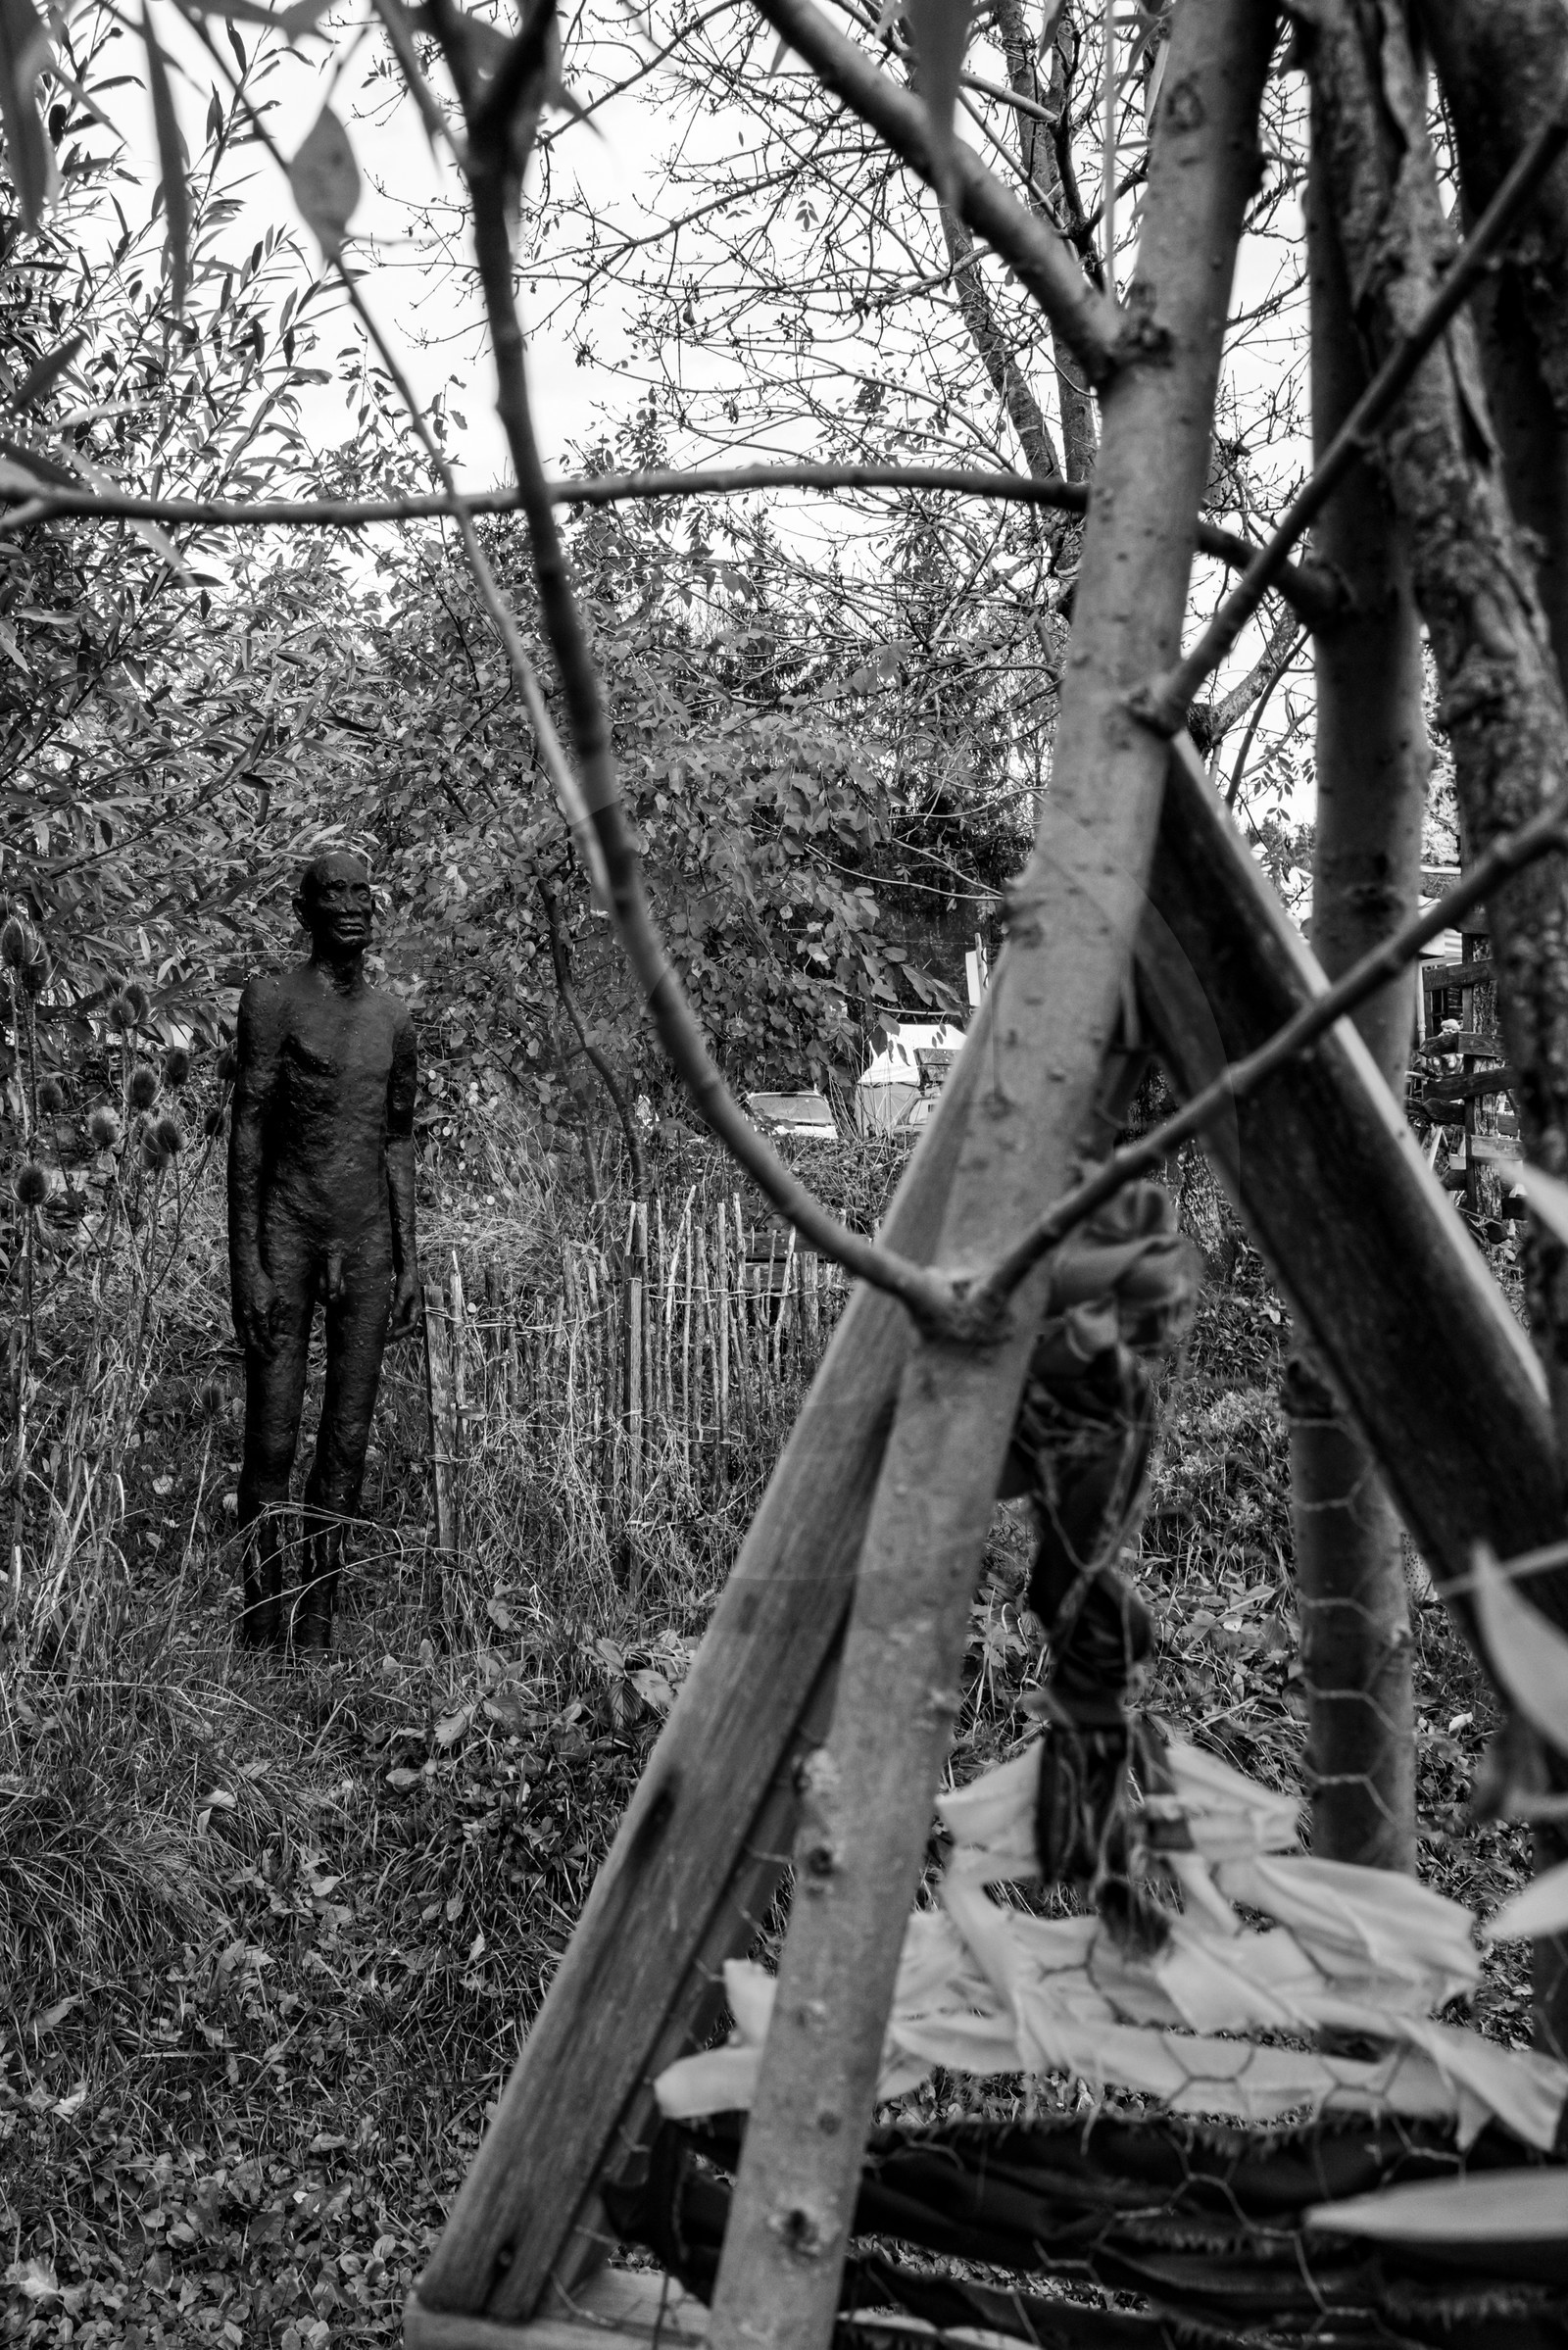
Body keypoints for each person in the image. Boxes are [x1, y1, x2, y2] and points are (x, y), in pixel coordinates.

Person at [228, 852, 418, 1653]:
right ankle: (261, 1621)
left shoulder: (394, 1018)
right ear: (303, 911)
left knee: (346, 1440)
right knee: (272, 1441)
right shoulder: (271, 1000)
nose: (351, 906)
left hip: (368, 1241)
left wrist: (410, 1258)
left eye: (362, 893)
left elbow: (399, 1137)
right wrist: (248, 1265)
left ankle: (317, 1624)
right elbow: (248, 1131)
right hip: (288, 1232)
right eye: (332, 893)